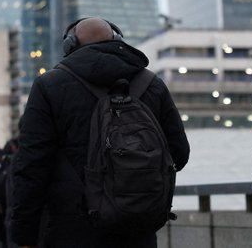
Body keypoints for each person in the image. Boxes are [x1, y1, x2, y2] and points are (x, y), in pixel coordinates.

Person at [10, 17, 190, 248]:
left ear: (70, 45)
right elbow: (179, 153)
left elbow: (31, 165)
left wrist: (24, 234)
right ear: (117, 39)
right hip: (138, 226)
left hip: (72, 227)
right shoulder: (151, 84)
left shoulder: (49, 86)